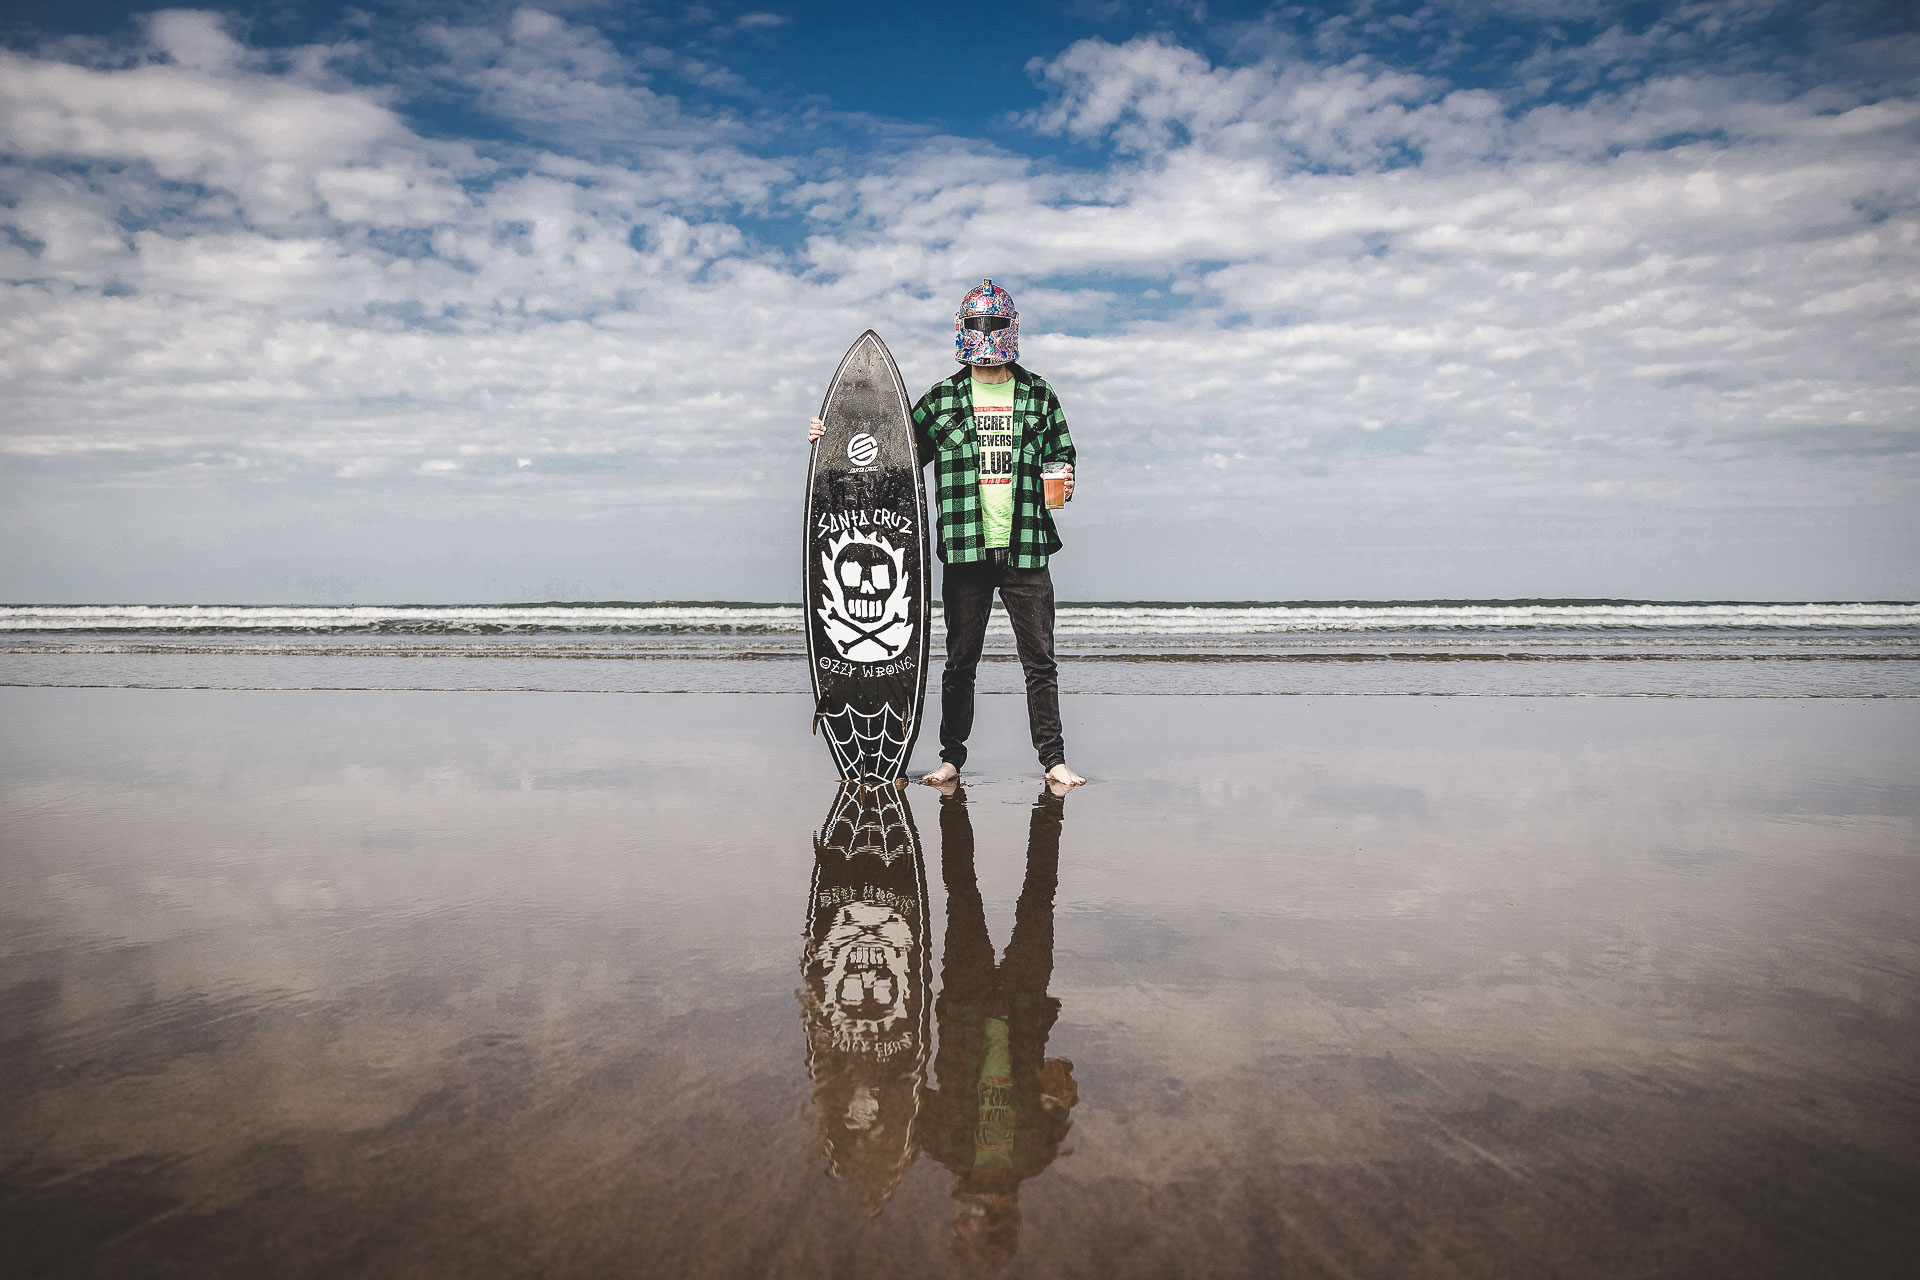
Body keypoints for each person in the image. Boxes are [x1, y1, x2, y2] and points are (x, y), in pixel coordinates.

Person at [811, 280, 1085, 789]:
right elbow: (891, 455)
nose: (986, 336)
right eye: (979, 325)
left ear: (1011, 328)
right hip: (964, 549)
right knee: (960, 664)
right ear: (963, 330)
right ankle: (951, 758)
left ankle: (1053, 760)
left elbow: (1062, 455)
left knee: (1040, 663)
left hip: (1027, 547)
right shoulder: (942, 399)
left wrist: (1065, 479)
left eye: (994, 324)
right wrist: (833, 438)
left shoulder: (1039, 394)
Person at [918, 780, 1078, 1273]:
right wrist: (1057, 1088)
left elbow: (912, 1094)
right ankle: (1050, 810)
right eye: (973, 1225)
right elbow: (1063, 1083)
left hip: (965, 1004)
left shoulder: (944, 1148)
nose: (972, 1214)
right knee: (1038, 898)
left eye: (964, 1224)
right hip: (1025, 1008)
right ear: (1006, 1218)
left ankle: (952, 804)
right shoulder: (1034, 1157)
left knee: (962, 893)